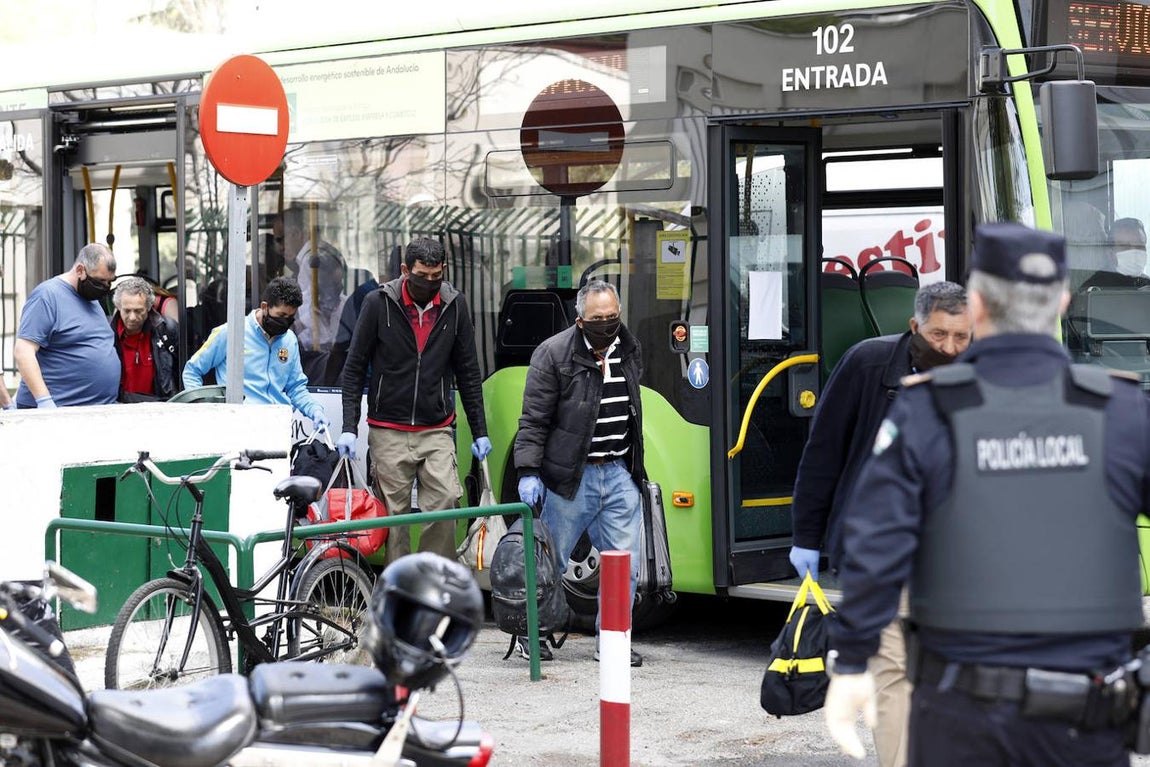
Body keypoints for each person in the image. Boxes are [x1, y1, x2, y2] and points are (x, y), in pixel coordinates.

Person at [824, 222, 1148, 767]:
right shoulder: (1120, 411)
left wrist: (852, 660)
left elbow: (875, 545)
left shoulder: (926, 411)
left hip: (960, 720)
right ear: (1063, 300)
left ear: (975, 305)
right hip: (1089, 721)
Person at [789, 280, 970, 767]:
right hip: (879, 551)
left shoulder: (983, 379)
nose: (949, 348)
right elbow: (823, 452)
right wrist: (806, 536)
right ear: (914, 327)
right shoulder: (867, 364)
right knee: (893, 674)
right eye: (938, 336)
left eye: (961, 337)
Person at [513, 279, 646, 666]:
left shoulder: (629, 347)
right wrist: (528, 471)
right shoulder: (553, 354)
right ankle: (529, 633)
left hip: (619, 471)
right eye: (597, 318)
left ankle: (614, 641)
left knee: (625, 565)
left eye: (612, 317)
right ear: (580, 319)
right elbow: (534, 420)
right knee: (550, 562)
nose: (606, 324)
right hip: (571, 477)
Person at [338, 237, 490, 564]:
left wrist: (480, 432)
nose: (430, 284)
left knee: (446, 500)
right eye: (423, 277)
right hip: (388, 428)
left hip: (435, 427)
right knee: (395, 517)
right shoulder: (379, 303)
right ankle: (399, 587)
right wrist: (349, 426)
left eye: (437, 277)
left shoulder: (454, 304)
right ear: (406, 270)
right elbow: (353, 368)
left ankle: (430, 580)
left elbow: (468, 371)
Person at [182, 276, 330, 432]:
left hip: (277, 427)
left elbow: (295, 387)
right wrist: (199, 410)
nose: (285, 322)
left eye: (290, 318)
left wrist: (315, 410)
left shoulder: (289, 340)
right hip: (238, 426)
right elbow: (192, 371)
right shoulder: (231, 332)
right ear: (265, 307)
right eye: (281, 316)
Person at [14, 242, 119, 408]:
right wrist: (44, 402)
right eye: (100, 281)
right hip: (59, 410)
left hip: (95, 408)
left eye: (109, 282)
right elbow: (23, 351)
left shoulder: (90, 297)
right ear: (80, 270)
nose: (104, 287)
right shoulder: (47, 296)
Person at [278, 206, 347, 354]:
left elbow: (328, 302)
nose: (280, 247)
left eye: (281, 238)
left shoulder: (312, 261)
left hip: (324, 344)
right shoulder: (315, 255)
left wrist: (299, 325)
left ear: (296, 233)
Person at [110, 276, 179, 402]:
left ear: (148, 308)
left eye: (138, 311)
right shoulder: (106, 336)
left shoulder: (166, 330)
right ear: (118, 307)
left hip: (159, 407)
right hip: (118, 408)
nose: (132, 317)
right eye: (127, 311)